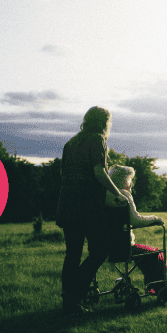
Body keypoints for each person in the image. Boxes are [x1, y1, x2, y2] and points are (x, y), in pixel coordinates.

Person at [55, 106, 129, 315]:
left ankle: (69, 302)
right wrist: (118, 193)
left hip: (67, 205)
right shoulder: (97, 139)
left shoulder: (71, 143)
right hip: (86, 206)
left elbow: (64, 174)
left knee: (73, 255)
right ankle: (74, 295)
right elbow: (99, 172)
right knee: (100, 251)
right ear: (104, 122)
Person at [106, 165, 167, 297]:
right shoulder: (123, 195)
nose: (131, 183)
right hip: (124, 246)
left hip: (105, 246)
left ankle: (158, 287)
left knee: (146, 256)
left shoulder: (103, 195)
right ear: (124, 180)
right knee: (156, 254)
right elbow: (136, 220)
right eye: (130, 179)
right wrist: (156, 219)